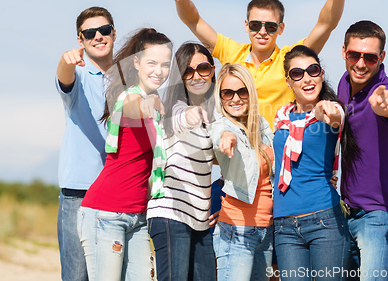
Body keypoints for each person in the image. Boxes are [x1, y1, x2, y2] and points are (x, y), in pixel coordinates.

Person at [171, 0, 349, 128]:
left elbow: (326, 24)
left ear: (281, 28)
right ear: (246, 25)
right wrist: (182, 1)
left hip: (278, 154)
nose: (262, 32)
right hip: (239, 154)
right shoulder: (232, 53)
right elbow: (194, 21)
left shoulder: (290, 59)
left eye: (270, 27)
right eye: (256, 25)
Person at [77, 28, 172, 281]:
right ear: (137, 63)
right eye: (152, 63)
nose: (159, 71)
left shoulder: (155, 103)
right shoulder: (130, 97)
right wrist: (147, 105)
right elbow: (132, 105)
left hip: (138, 217)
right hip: (106, 214)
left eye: (165, 64)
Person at [272, 45, 360, 280]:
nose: (307, 78)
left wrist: (323, 109)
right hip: (283, 225)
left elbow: (333, 115)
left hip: (324, 219)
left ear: (321, 74)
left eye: (313, 70)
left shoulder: (332, 111)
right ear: (288, 81)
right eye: (297, 73)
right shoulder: (280, 118)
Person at [337, 21, 388, 281]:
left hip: (379, 215)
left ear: (381, 58)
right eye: (354, 54)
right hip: (345, 211)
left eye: (370, 57)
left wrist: (385, 106)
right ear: (344, 51)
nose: (360, 63)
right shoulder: (344, 85)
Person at [147, 42, 217, 281]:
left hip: (200, 220)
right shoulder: (176, 108)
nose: (196, 75)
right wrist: (193, 114)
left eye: (203, 68)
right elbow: (181, 119)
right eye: (188, 71)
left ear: (213, 69)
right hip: (170, 214)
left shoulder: (216, 114)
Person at [56, 6, 116, 281]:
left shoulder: (128, 80)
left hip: (117, 197)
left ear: (113, 33)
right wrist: (67, 60)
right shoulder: (77, 76)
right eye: (89, 33)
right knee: (76, 276)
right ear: (80, 40)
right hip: (78, 196)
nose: (98, 36)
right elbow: (64, 77)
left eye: (104, 30)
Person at [210, 63, 274, 281]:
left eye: (242, 91)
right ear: (220, 96)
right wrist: (227, 137)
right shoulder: (223, 125)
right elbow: (220, 133)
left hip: (265, 231)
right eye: (228, 92)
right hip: (237, 231)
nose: (235, 99)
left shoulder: (263, 126)